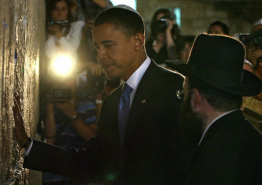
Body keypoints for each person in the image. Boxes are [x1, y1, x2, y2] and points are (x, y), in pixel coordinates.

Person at [13, 5, 192, 184]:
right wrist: (29, 146)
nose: (101, 55)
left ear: (137, 41)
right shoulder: (112, 103)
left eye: (108, 45)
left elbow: (185, 163)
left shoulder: (172, 87)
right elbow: (91, 161)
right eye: (97, 47)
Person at [166, 33, 262, 185]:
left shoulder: (215, 158)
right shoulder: (253, 138)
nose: (182, 101)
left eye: (182, 94)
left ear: (196, 98)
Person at [45, 0, 84, 65]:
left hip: (71, 68)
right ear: (51, 12)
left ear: (67, 11)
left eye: (63, 9)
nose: (60, 13)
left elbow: (71, 49)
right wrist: (51, 34)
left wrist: (58, 34)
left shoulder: (76, 26)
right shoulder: (47, 27)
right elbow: (49, 53)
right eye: (56, 9)